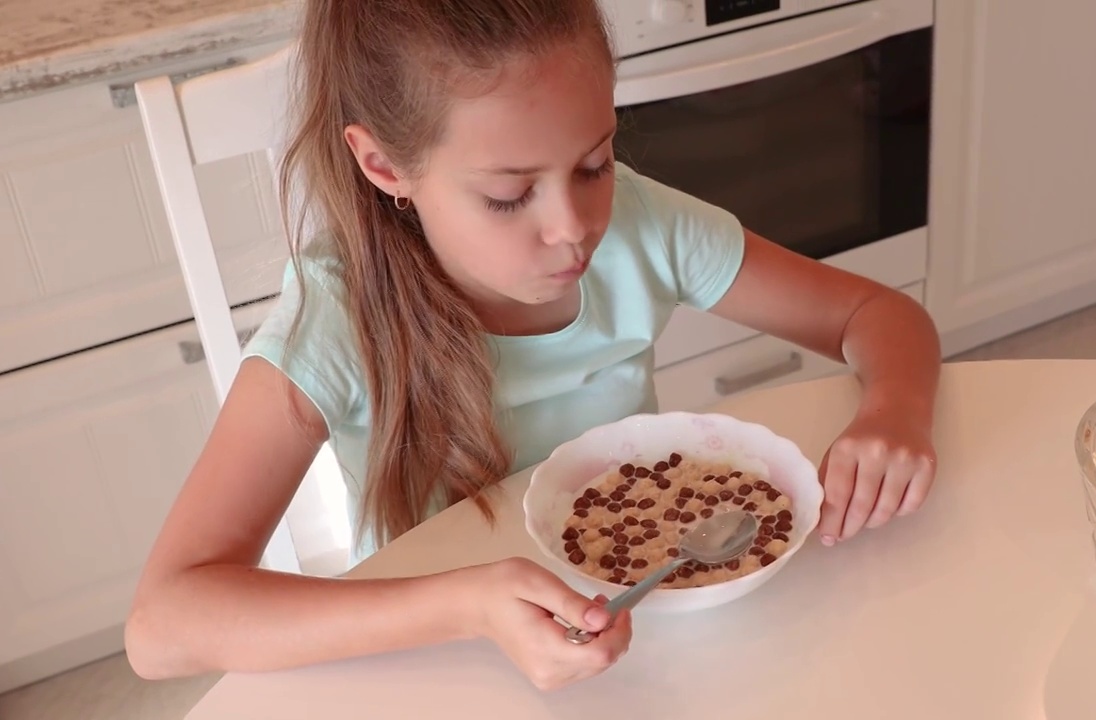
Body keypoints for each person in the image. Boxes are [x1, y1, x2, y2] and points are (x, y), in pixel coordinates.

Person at [124, 0, 942, 692]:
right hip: (436, 667)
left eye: (596, 162)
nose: (574, 227)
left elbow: (873, 314)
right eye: (510, 196)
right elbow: (163, 625)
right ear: (383, 165)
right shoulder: (339, 317)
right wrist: (469, 604)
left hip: (650, 650)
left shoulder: (642, 225)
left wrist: (894, 410)